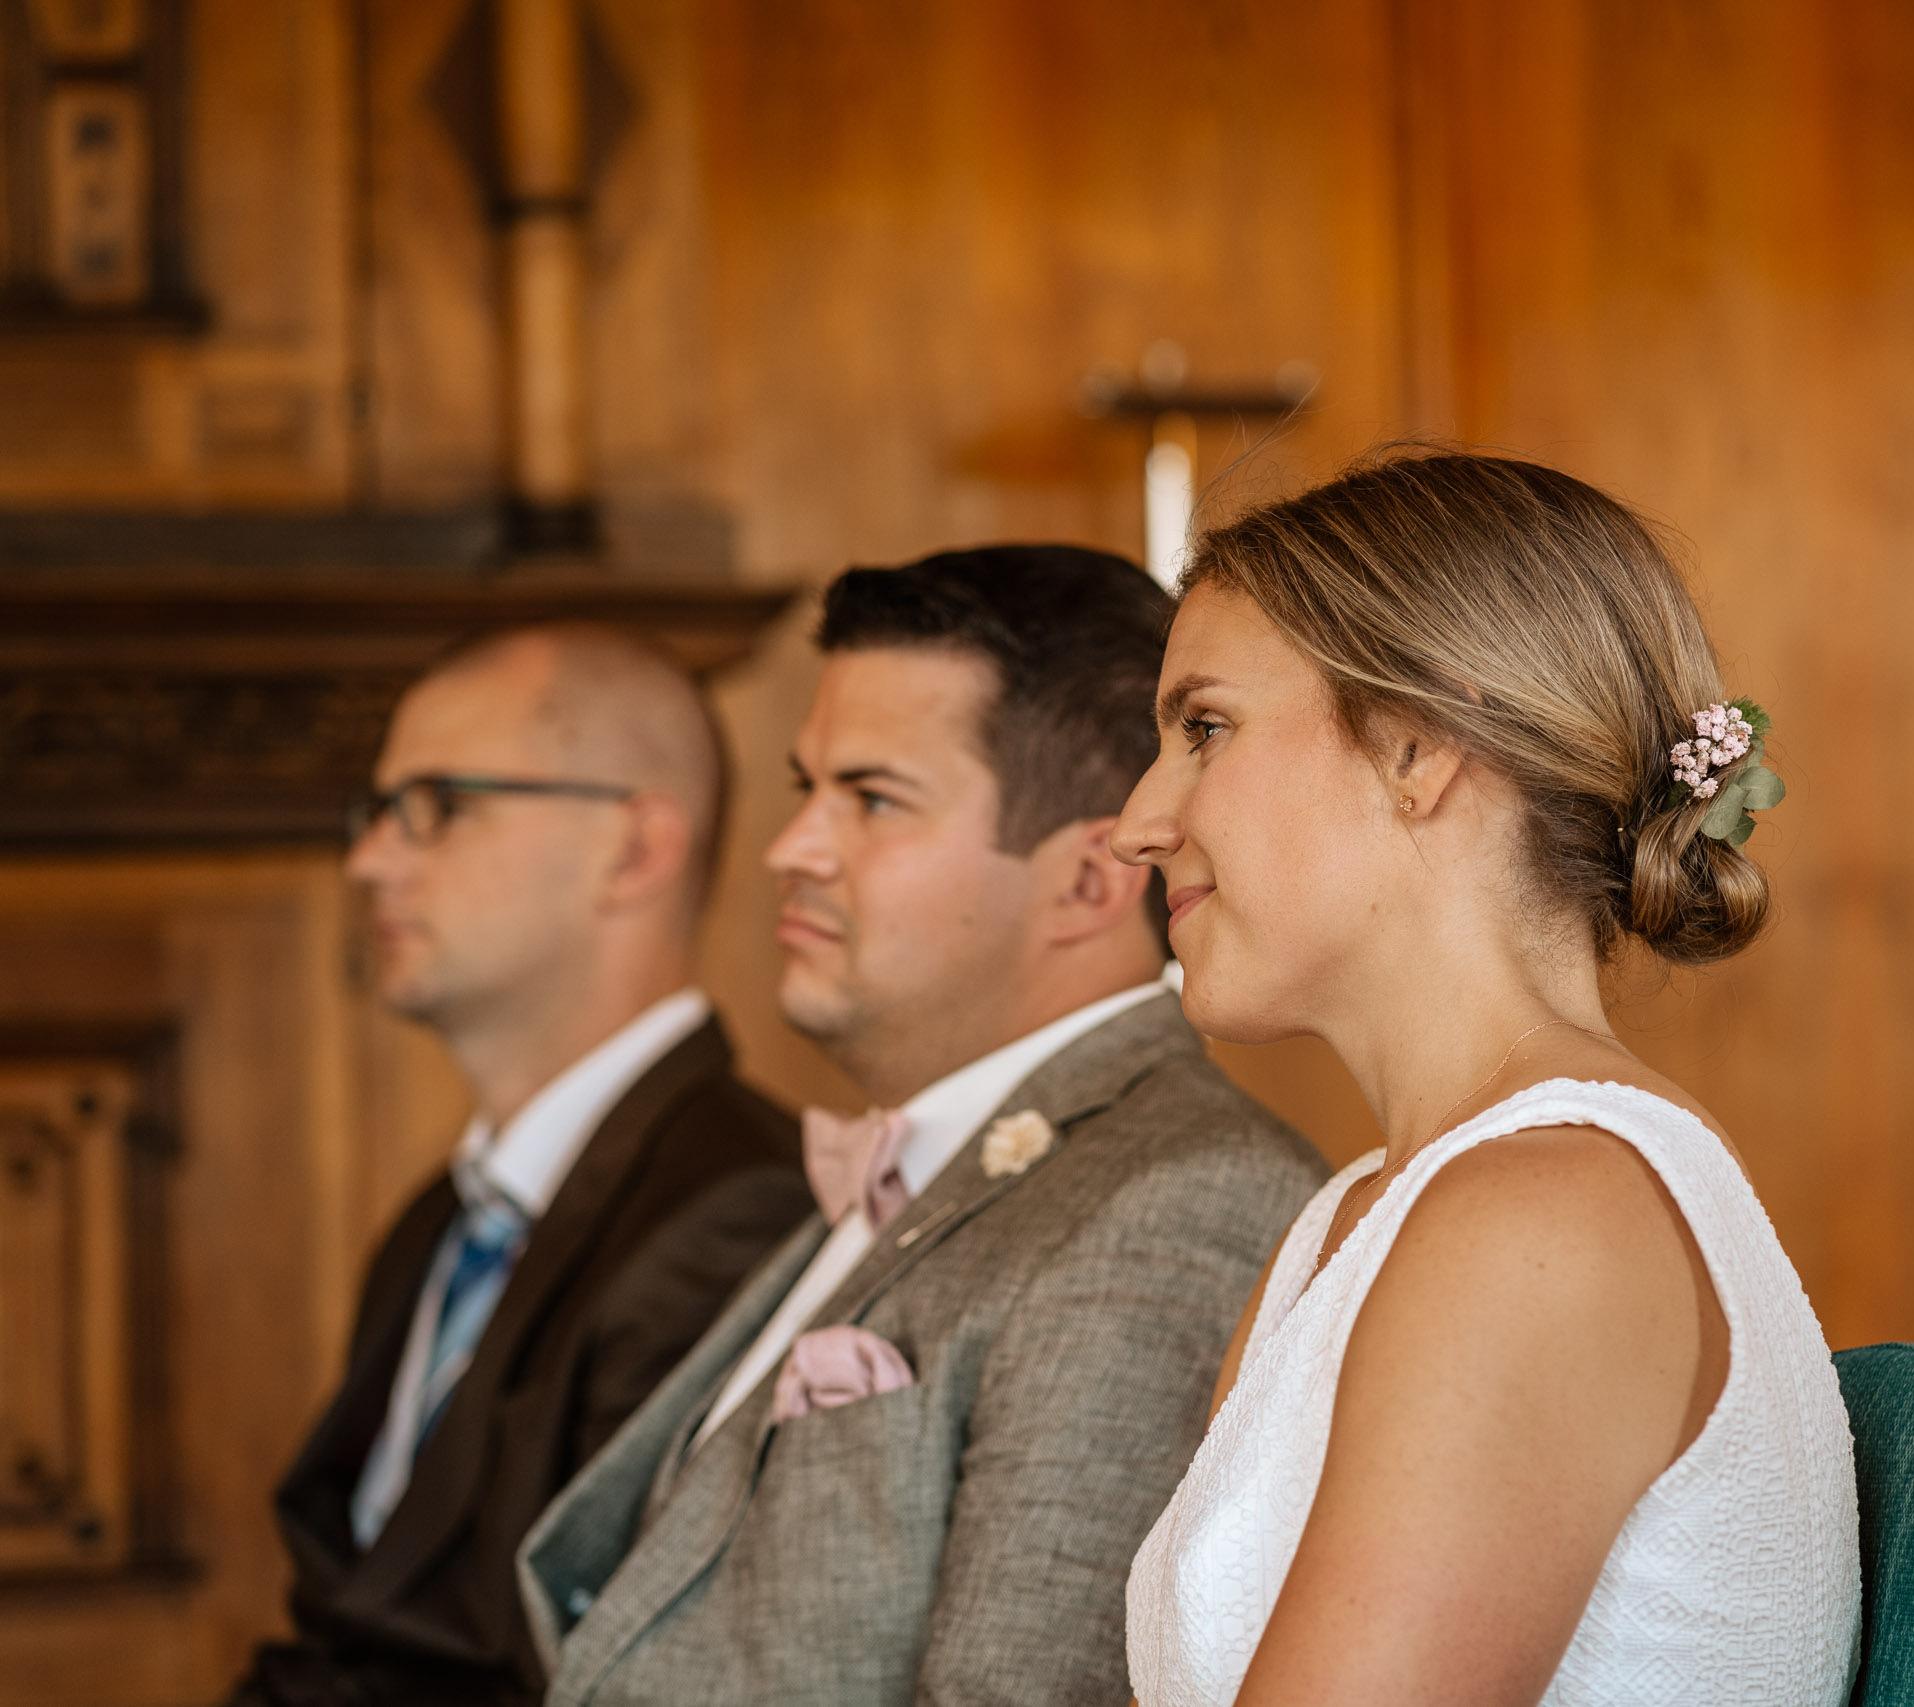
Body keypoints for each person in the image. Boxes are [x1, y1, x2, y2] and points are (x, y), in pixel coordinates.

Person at [517, 544, 1327, 1707]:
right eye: (808, 790)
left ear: (1090, 882)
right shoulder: (910, 1164)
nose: (789, 850)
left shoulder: (1175, 1200)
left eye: (873, 799)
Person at [1116, 452, 1860, 1706]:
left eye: (1205, 728)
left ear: (1417, 747)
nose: (1140, 817)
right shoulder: (1357, 1217)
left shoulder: (1543, 1219)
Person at [234, 625, 814, 1707]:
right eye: (378, 813)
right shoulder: (431, 1229)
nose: (368, 859)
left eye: (440, 805)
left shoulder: (741, 1210)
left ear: (634, 850)